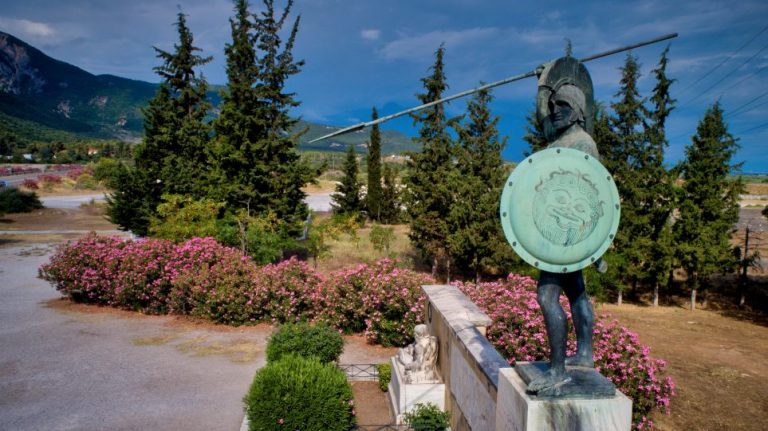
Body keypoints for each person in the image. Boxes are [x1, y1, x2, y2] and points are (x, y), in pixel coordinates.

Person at [526, 59, 598, 396]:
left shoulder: (582, 144)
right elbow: (544, 117)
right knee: (577, 292)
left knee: (547, 296)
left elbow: (592, 192)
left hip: (567, 236)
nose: (554, 111)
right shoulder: (559, 140)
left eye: (562, 106)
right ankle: (584, 353)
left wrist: (592, 241)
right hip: (561, 233)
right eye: (554, 105)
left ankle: (557, 371)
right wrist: (543, 85)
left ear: (578, 111)